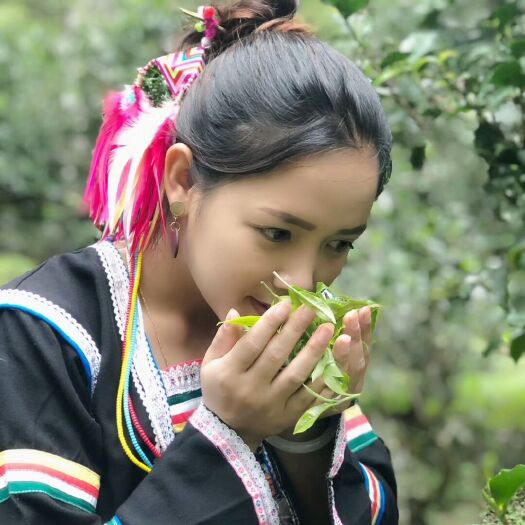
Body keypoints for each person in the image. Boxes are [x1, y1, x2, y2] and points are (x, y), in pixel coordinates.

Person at [0, 0, 399, 523]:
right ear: (182, 181)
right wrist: (228, 429)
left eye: (340, 244)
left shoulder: (291, 342)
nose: (303, 281)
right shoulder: (45, 334)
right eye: (277, 233)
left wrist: (306, 427)